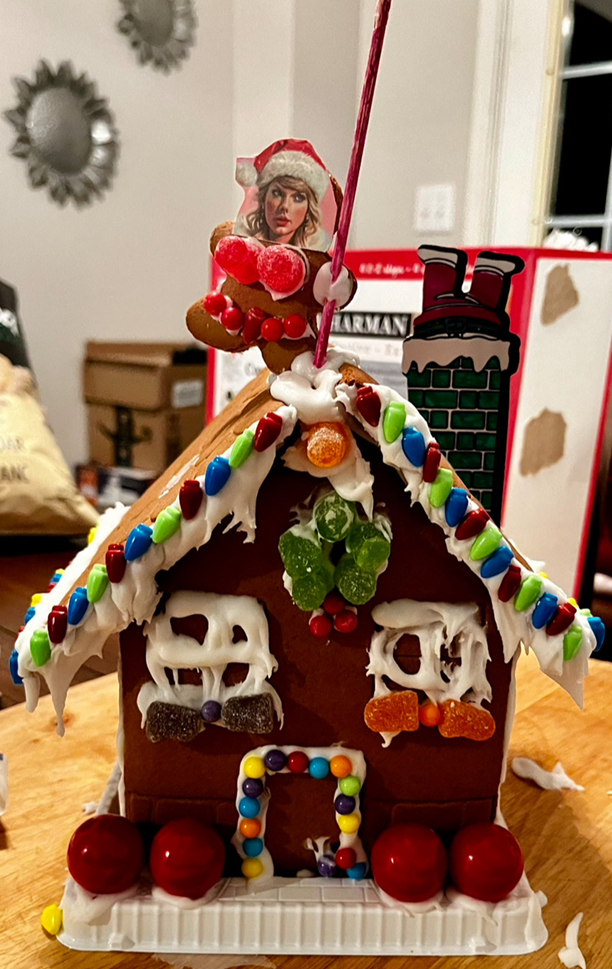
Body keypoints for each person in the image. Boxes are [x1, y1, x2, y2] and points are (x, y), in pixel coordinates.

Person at [235, 139, 334, 252]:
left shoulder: (317, 258)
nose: (285, 206)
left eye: (298, 198)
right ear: (263, 199)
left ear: (308, 209)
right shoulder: (243, 249)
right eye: (277, 193)